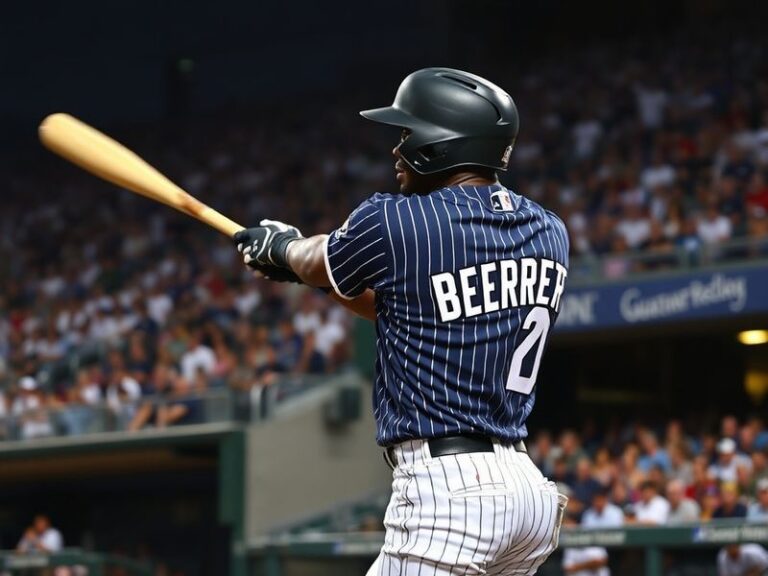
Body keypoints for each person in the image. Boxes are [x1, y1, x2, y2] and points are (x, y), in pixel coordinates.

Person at [234, 67, 570, 575]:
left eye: (408, 133)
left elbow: (316, 258)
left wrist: (279, 246)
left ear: (443, 144)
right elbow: (399, 303)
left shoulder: (395, 219)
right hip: (528, 492)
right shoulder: (550, 231)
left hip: (451, 491)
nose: (397, 150)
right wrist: (303, 268)